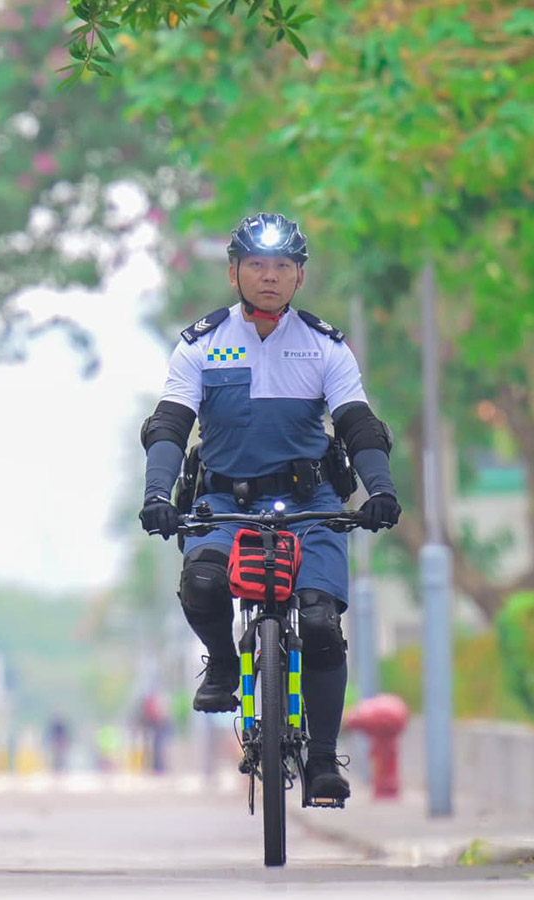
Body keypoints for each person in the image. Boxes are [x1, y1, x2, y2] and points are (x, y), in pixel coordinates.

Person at [137, 212, 401, 802]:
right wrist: (157, 494)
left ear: (300, 277)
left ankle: (326, 759)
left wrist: (378, 489)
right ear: (234, 271)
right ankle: (226, 664)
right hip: (222, 500)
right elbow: (169, 427)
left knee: (320, 623)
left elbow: (358, 426)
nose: (270, 277)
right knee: (202, 582)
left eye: (284, 266)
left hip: (312, 503)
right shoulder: (201, 345)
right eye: (256, 264)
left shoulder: (325, 346)